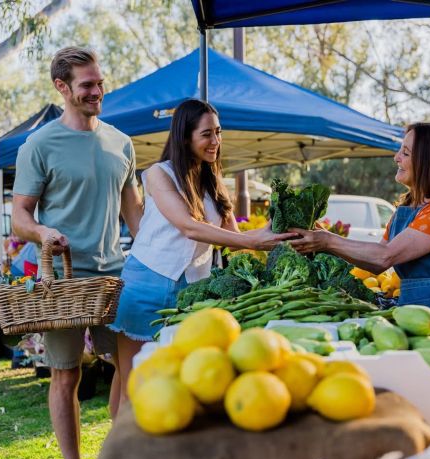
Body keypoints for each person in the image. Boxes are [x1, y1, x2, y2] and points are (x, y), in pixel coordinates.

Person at [108, 98, 296, 404]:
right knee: (136, 384)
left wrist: (275, 234)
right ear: (185, 137)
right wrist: (252, 242)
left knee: (184, 381)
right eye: (207, 134)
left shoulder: (214, 183)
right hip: (145, 286)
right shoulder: (159, 174)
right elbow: (188, 226)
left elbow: (233, 236)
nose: (216, 141)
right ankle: (124, 449)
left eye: (219, 132)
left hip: (193, 291)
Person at [12, 47, 143, 459]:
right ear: (62, 87)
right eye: (87, 85)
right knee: (65, 376)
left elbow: (136, 218)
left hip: (114, 277)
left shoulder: (121, 143)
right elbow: (19, 219)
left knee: (132, 370)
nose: (97, 91)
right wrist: (43, 233)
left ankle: (116, 457)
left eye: (99, 82)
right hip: (62, 285)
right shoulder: (39, 145)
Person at [290, 122, 430, 320]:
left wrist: (327, 240)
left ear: (429, 162)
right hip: (417, 310)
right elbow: (376, 263)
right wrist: (323, 240)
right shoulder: (408, 207)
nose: (396, 158)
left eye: (406, 153)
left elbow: (384, 257)